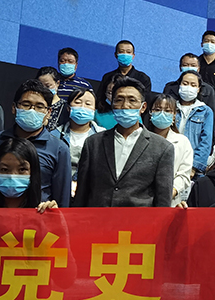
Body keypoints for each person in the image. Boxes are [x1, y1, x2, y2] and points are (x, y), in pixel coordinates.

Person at [0, 80, 71, 207]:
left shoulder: (59, 149)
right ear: (14, 107)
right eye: (26, 104)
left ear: (48, 112)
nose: (32, 110)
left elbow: (62, 199)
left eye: (39, 107)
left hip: (36, 217)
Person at [73, 77, 175, 207]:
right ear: (112, 105)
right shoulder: (93, 143)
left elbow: (163, 200)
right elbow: (82, 192)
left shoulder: (162, 148)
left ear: (143, 107)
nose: (125, 106)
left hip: (137, 219)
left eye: (132, 100)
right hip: (98, 217)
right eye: (119, 100)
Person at [0, 137, 58, 212]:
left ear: (33, 172)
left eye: (22, 169)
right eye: (5, 169)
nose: (12, 176)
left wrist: (54, 216)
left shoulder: (42, 210)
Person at [146, 94, 193, 207]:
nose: (162, 113)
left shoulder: (182, 141)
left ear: (174, 115)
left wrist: (169, 193)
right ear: (150, 112)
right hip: (141, 201)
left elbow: (184, 174)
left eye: (167, 111)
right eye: (157, 110)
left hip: (170, 201)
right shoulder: (140, 138)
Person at [57, 89, 103, 197]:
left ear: (94, 110)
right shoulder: (55, 135)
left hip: (91, 192)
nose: (82, 107)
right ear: (68, 108)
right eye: (77, 102)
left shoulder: (103, 136)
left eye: (88, 104)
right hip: (61, 191)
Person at [174, 71, 214, 175]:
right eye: (185, 83)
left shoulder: (206, 111)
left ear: (198, 89)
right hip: (170, 162)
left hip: (193, 166)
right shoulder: (171, 108)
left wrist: (194, 167)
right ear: (179, 85)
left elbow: (206, 141)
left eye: (193, 85)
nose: (188, 87)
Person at [98, 40, 152, 104]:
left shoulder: (143, 78)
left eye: (128, 52)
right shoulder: (107, 77)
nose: (125, 54)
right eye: (121, 52)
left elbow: (146, 102)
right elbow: (100, 99)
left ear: (133, 56)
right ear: (116, 55)